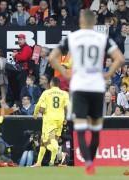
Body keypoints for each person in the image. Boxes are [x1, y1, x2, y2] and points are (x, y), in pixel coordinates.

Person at [49, 9, 124, 174]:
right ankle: (91, 158)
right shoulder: (102, 38)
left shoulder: (72, 37)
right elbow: (120, 59)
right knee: (96, 129)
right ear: (94, 22)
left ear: (81, 21)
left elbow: (52, 57)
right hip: (97, 87)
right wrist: (108, 73)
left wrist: (64, 71)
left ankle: (88, 162)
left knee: (80, 128)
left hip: (79, 86)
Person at [32, 77, 69, 167]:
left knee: (50, 140)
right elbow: (67, 107)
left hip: (49, 120)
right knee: (46, 141)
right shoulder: (64, 93)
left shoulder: (46, 93)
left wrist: (35, 114)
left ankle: (60, 154)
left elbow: (38, 105)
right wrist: (66, 118)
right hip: (60, 119)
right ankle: (46, 162)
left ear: (51, 83)